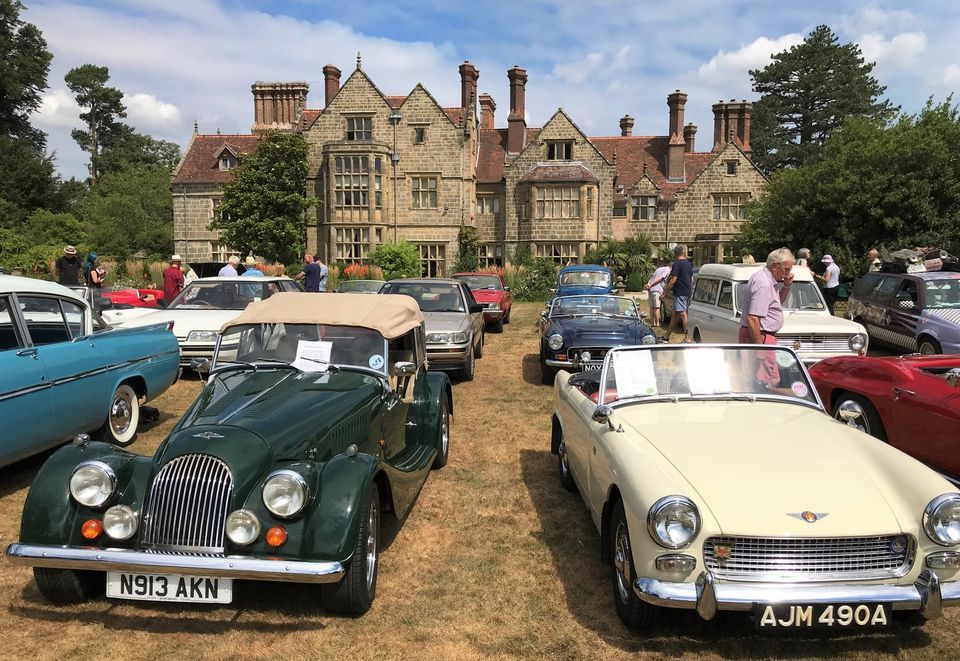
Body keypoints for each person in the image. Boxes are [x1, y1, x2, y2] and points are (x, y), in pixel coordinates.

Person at [739, 247, 795, 384]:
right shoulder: (763, 283)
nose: (788, 273)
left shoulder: (767, 279)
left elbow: (775, 304)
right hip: (760, 336)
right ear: (775, 266)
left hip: (762, 335)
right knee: (768, 381)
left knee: (759, 380)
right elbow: (752, 319)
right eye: (787, 269)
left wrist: (786, 286)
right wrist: (760, 347)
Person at [663, 244, 693, 341]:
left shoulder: (677, 264)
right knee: (674, 315)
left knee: (682, 313)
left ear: (675, 254)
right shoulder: (688, 264)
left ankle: (687, 337)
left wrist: (665, 292)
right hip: (688, 291)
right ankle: (666, 336)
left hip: (680, 292)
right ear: (683, 252)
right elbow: (692, 279)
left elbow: (673, 279)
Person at [644, 258, 672, 328]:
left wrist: (649, 285)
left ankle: (652, 322)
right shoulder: (667, 270)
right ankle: (657, 323)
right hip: (657, 289)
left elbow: (652, 278)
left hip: (651, 290)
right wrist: (651, 285)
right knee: (657, 307)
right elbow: (660, 278)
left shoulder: (659, 269)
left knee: (652, 307)